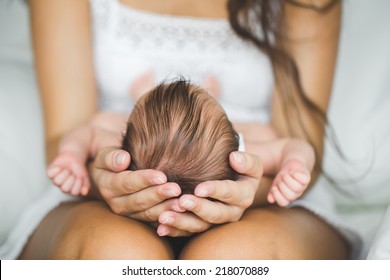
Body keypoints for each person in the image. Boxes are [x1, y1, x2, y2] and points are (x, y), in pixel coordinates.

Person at [2, 0, 351, 259]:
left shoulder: (116, 132)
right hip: (105, 193)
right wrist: (88, 174)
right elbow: (292, 150)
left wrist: (271, 185)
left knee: (230, 260)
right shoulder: (247, 143)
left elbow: (302, 145)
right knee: (115, 254)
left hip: (257, 196)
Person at [47, 79, 313, 207]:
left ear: (125, 135)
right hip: (229, 134)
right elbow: (293, 145)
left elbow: (87, 133)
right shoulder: (239, 155)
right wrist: (294, 165)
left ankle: (141, 94)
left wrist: (72, 155)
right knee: (267, 133)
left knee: (101, 118)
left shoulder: (122, 154)